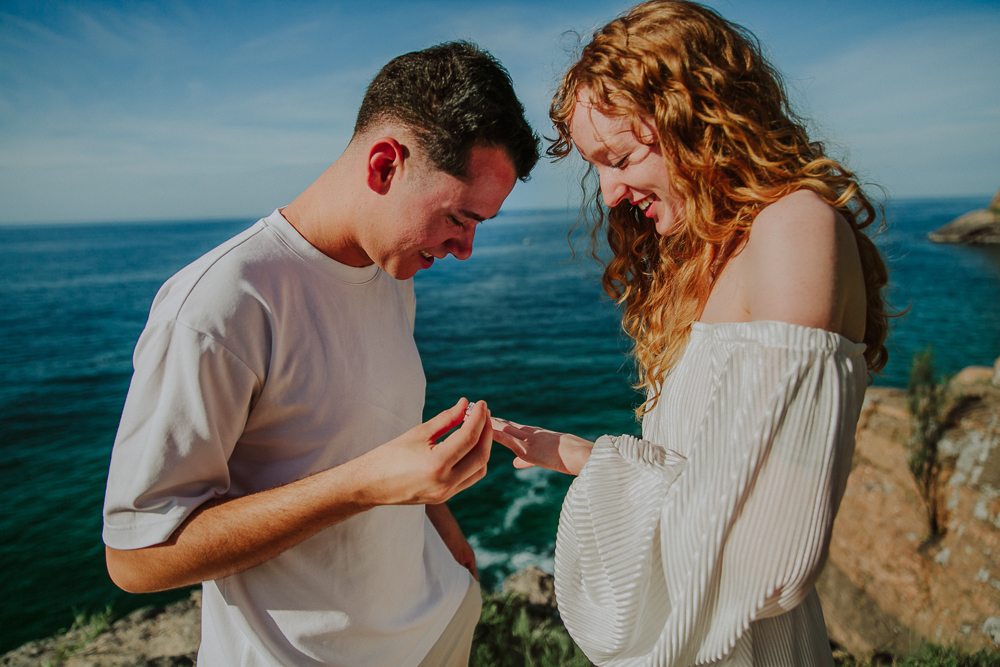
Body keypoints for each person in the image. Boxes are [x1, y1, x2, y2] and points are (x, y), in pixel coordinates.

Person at [102, 41, 539, 667]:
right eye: (458, 218)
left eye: (479, 226)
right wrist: (364, 485)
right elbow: (136, 558)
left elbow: (372, 430)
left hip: (436, 627)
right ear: (385, 165)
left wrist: (451, 545)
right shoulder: (219, 305)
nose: (465, 249)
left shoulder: (392, 271)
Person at [491, 2, 890, 665]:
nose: (609, 191)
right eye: (597, 168)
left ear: (693, 113)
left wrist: (605, 477)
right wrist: (582, 457)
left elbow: (770, 556)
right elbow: (715, 486)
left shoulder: (793, 229)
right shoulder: (710, 255)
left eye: (617, 156)